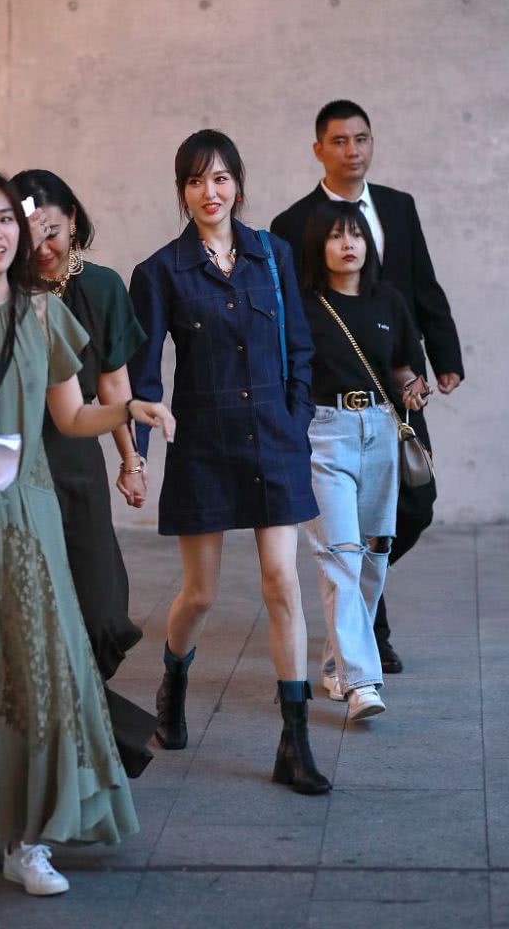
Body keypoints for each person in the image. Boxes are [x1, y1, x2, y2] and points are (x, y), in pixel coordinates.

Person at [0, 170, 174, 896]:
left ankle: (27, 842)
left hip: (30, 511)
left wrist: (128, 412)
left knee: (40, 669)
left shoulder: (44, 316)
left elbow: (72, 418)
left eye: (6, 219)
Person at [128, 130, 329, 795]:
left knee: (282, 583)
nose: (209, 192)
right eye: (195, 180)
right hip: (204, 447)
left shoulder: (272, 255)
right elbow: (144, 378)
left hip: (274, 438)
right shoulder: (160, 272)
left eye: (220, 178)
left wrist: (294, 421)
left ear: (238, 185)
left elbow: (300, 349)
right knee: (201, 595)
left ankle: (294, 742)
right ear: (181, 191)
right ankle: (174, 677)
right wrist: (137, 459)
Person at [271, 99, 464, 674]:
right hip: (330, 400)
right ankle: (367, 636)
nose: (352, 150)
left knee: (416, 504)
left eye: (361, 139)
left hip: (395, 384)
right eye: (339, 140)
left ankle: (353, 609)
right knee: (350, 532)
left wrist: (444, 356)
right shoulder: (292, 223)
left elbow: (423, 285)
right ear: (318, 150)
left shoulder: (398, 207)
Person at [10, 169, 155, 778]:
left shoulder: (101, 287)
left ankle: (76, 724)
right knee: (33, 611)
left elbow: (113, 384)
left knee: (101, 610)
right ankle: (68, 745)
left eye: (51, 230)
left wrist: (130, 460)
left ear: (72, 219)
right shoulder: (4, 293)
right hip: (17, 463)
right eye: (28, 234)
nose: (42, 246)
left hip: (77, 459)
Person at [300, 200, 429, 719]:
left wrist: (414, 388)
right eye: (335, 236)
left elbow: (401, 368)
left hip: (379, 430)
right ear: (319, 246)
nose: (347, 244)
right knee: (342, 555)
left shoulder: (388, 300)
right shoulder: (306, 305)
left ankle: (336, 664)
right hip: (325, 433)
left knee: (374, 553)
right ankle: (361, 684)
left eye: (355, 234)